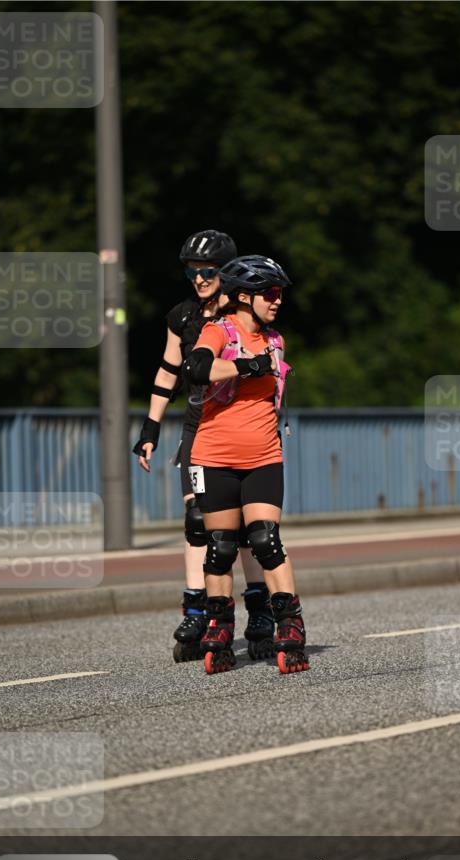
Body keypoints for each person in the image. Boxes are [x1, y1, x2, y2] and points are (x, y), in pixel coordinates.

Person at [132, 231, 274, 662]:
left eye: (208, 272)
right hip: (198, 432)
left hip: (245, 429)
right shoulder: (182, 317)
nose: (199, 279)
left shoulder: (243, 314)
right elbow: (167, 370)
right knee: (200, 522)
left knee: (250, 528)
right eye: (192, 272)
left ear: (227, 273)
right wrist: (149, 429)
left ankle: (261, 613)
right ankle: (198, 610)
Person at [183, 254, 309, 676]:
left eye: (279, 295)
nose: (277, 302)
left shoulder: (276, 341)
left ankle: (289, 624)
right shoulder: (218, 330)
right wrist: (246, 365)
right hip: (213, 455)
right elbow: (197, 367)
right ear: (242, 297)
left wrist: (259, 362)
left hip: (263, 456)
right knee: (220, 546)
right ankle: (220, 626)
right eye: (270, 294)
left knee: (265, 539)